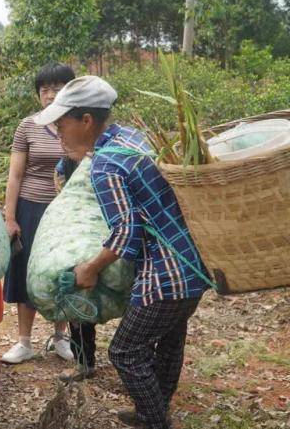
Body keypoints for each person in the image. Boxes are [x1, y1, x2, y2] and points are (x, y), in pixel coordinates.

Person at [34, 75, 210, 429]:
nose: (57, 131)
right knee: (170, 341)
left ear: (86, 121)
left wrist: (91, 267)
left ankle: (155, 421)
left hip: (166, 275)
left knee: (125, 351)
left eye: (61, 122)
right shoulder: (131, 137)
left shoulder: (106, 165)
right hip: (194, 264)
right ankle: (152, 412)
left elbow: (126, 233)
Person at [0, 63, 75, 364]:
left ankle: (62, 338)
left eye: (57, 89)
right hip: (30, 208)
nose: (50, 94)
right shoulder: (27, 127)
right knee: (25, 272)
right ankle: (24, 342)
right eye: (44, 90)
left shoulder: (78, 125)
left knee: (64, 270)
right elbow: (15, 176)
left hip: (65, 211)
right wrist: (9, 216)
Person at [53, 156, 98, 383]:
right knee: (78, 294)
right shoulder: (65, 164)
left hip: (102, 231)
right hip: (75, 232)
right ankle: (84, 361)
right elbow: (62, 196)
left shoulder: (104, 158)